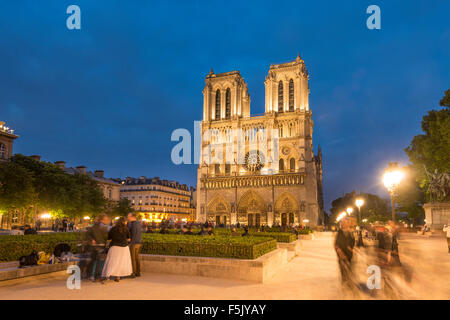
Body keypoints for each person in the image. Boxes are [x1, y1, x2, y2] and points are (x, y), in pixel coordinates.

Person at [102, 217, 132, 282]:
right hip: (124, 248)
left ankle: (108, 276)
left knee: (112, 262)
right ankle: (117, 277)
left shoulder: (113, 229)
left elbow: (109, 238)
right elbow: (129, 239)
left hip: (114, 247)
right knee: (121, 262)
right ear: (124, 222)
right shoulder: (126, 229)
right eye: (126, 221)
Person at [86, 214, 110, 282]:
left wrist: (91, 240)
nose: (107, 221)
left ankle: (90, 275)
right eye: (106, 219)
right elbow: (107, 237)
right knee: (100, 261)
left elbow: (88, 235)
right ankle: (97, 276)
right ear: (102, 220)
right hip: (101, 246)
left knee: (93, 261)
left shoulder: (93, 226)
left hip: (94, 246)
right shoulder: (104, 227)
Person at [334, 217, 356, 290]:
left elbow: (352, 242)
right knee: (343, 270)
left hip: (349, 255)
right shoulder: (339, 233)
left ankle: (349, 283)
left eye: (347, 223)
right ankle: (344, 284)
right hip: (342, 255)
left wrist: (352, 248)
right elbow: (336, 244)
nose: (346, 224)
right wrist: (340, 252)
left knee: (349, 269)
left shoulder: (351, 233)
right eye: (344, 223)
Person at [127, 212, 142, 278]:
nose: (128, 218)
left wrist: (130, 243)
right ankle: (138, 272)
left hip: (133, 243)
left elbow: (129, 234)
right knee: (137, 258)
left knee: (132, 258)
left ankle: (133, 272)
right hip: (139, 242)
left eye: (128, 216)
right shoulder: (139, 223)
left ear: (132, 217)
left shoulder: (131, 224)